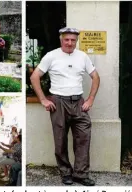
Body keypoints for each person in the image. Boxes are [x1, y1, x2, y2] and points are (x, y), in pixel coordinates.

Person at [30, 27, 100, 186]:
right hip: (58, 103)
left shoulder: (82, 56)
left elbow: (95, 77)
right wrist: (43, 100)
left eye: (73, 40)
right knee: (60, 140)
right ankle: (66, 173)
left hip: (78, 102)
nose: (70, 43)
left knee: (83, 138)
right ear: (61, 39)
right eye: (66, 39)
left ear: (76, 41)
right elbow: (35, 77)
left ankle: (81, 174)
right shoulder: (51, 56)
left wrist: (90, 100)